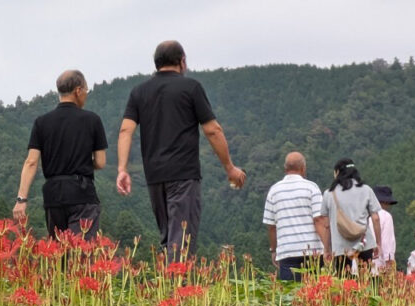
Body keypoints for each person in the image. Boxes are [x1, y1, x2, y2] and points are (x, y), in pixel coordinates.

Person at [115, 40, 246, 260]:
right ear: (181, 61)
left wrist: (122, 169)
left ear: (156, 63)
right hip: (183, 174)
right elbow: (213, 130)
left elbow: (125, 131)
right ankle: (178, 291)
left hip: (154, 176)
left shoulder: (139, 92)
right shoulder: (191, 88)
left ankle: (169, 287)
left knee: (168, 239)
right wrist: (229, 167)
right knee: (181, 241)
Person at [13, 70, 108, 240]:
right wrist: (82, 161)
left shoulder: (41, 122)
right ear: (78, 90)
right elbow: (100, 162)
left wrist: (21, 200)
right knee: (81, 255)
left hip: (53, 196)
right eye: (86, 90)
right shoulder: (92, 120)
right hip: (82, 194)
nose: (86, 94)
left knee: (59, 255)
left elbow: (31, 162)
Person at [262, 152, 327, 281]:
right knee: (313, 295)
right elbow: (319, 220)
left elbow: (271, 227)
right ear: (303, 168)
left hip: (287, 252)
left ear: (285, 169)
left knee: (290, 296)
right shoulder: (311, 188)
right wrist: (327, 248)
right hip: (312, 252)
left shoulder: (274, 191)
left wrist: (274, 250)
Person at [319, 158, 382, 274]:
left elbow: (326, 226)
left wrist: (327, 249)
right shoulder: (366, 189)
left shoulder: (328, 194)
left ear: (337, 172)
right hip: (364, 242)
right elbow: (376, 218)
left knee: (344, 284)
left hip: (340, 246)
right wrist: (378, 243)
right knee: (366, 280)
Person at [368, 185, 397, 274]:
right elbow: (387, 243)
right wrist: (389, 265)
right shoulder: (386, 216)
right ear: (383, 202)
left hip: (363, 265)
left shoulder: (365, 214)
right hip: (379, 266)